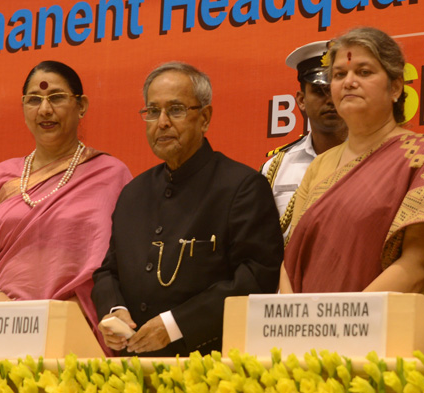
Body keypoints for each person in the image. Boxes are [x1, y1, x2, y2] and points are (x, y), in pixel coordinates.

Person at [280, 27, 424, 308]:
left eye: (364, 72)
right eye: (340, 75)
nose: (349, 82)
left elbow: (422, 262)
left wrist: (340, 319)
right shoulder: (320, 166)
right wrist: (292, 317)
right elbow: (292, 256)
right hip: (305, 334)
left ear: (395, 88)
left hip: (386, 334)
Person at [91, 61, 283, 357]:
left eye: (176, 110)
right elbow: (108, 271)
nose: (162, 122)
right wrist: (114, 310)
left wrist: (174, 325)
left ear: (204, 118)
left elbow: (257, 279)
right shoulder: (133, 192)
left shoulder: (242, 186)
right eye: (152, 112)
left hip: (210, 365)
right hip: (131, 367)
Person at [0, 60, 132, 354]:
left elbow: (125, 264)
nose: (45, 110)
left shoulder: (112, 174)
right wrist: (7, 312)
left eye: (57, 98)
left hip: (75, 331)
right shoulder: (2, 176)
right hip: (2, 329)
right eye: (34, 100)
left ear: (82, 105)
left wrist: (57, 320)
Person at [261, 40, 347, 237]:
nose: (329, 100)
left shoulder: (375, 159)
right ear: (301, 100)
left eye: (336, 91)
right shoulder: (276, 168)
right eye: (319, 91)